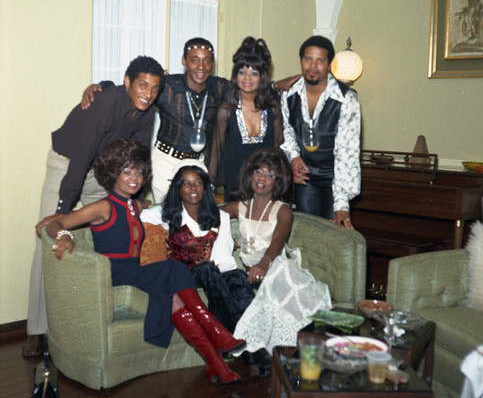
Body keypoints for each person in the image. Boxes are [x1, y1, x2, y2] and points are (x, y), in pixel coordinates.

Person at [45, 138, 245, 384]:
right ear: (112, 173)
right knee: (173, 267)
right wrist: (63, 236)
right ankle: (217, 331)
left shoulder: (133, 205)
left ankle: (216, 365)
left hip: (136, 271)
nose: (135, 178)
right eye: (127, 171)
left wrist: (143, 204)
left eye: (139, 172)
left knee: (174, 298)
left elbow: (145, 206)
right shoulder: (102, 207)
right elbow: (54, 223)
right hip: (114, 271)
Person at [23, 56, 164, 358]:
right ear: (127, 82)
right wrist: (62, 210)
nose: (148, 94)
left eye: (154, 88)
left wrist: (137, 200)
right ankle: (37, 331)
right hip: (68, 164)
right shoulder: (103, 104)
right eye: (142, 85)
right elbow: (80, 159)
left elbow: (137, 159)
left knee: (114, 232)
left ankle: (91, 319)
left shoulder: (147, 112)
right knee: (47, 238)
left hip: (101, 169)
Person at [81, 37, 298, 203]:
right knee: (169, 214)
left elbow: (248, 85)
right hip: (166, 161)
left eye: (206, 61)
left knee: (195, 219)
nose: (200, 67)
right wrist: (100, 87)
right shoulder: (167, 86)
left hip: (196, 161)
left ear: (212, 63)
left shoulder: (219, 87)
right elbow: (136, 89)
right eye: (194, 60)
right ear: (184, 61)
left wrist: (275, 85)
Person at [222, 148, 332, 357]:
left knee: (308, 314)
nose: (262, 178)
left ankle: (313, 349)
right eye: (258, 172)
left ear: (278, 180)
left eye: (270, 174)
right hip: (257, 276)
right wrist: (226, 238)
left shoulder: (282, 209)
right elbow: (210, 218)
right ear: (250, 174)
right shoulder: (239, 206)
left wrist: (264, 264)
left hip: (279, 269)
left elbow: (278, 241)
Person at [141, 165, 255, 332]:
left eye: (198, 183)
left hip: (212, 274)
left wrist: (219, 273)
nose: (193, 188)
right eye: (186, 183)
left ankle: (252, 343)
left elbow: (224, 259)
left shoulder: (220, 216)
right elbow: (136, 216)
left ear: (205, 187)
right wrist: (140, 203)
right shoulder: (167, 213)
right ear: (178, 189)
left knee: (237, 276)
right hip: (183, 278)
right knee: (207, 268)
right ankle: (224, 334)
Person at [280, 35, 361, 229]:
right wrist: (293, 158)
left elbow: (347, 152)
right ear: (301, 61)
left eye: (320, 60)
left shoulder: (346, 99)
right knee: (307, 236)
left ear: (329, 64)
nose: (313, 66)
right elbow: (287, 132)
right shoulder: (289, 95)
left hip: (335, 176)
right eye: (308, 59)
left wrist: (341, 203)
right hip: (306, 178)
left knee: (333, 239)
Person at [208, 37, 284, 202]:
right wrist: (209, 189)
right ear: (236, 75)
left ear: (262, 76)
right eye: (242, 72)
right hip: (236, 189)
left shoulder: (273, 108)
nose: (247, 78)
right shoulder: (226, 111)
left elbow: (278, 150)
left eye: (254, 73)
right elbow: (216, 152)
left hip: (266, 188)